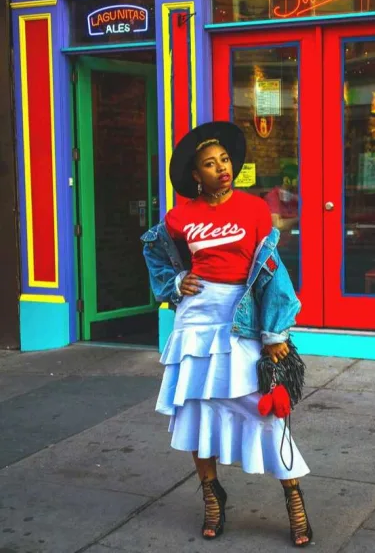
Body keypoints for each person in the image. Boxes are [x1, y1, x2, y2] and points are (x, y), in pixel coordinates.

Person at [140, 121, 313, 547]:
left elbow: (270, 270)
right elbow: (154, 251)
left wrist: (275, 333)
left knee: (264, 408)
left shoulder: (253, 209)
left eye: (224, 160)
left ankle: (293, 495)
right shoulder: (180, 217)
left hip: (242, 318)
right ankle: (212, 496)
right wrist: (175, 281)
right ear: (194, 176)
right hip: (196, 322)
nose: (221, 168)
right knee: (197, 409)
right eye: (209, 164)